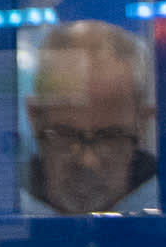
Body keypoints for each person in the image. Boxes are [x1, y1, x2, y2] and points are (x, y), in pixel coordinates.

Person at [26, 20, 157, 217]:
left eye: (110, 137)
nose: (88, 161)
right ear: (34, 117)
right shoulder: (0, 211)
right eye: (65, 135)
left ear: (143, 123)